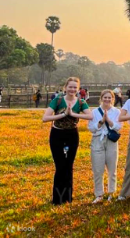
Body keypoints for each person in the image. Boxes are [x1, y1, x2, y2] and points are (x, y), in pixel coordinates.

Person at [42, 77, 93, 205]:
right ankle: (57, 199)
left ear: (78, 89)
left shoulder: (81, 102)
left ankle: (68, 197)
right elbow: (45, 118)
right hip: (57, 134)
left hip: (72, 135)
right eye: (70, 87)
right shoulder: (57, 100)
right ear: (65, 87)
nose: (72, 89)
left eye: (75, 87)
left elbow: (90, 116)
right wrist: (64, 114)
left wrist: (73, 114)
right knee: (60, 166)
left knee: (69, 165)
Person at [88, 90, 122, 203]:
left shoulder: (116, 111)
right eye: (105, 97)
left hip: (111, 141)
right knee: (98, 169)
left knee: (112, 169)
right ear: (101, 98)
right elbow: (91, 128)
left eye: (110, 98)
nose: (107, 100)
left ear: (113, 99)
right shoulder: (94, 112)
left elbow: (118, 127)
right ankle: (99, 194)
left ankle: (111, 193)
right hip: (98, 140)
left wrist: (108, 121)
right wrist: (101, 122)